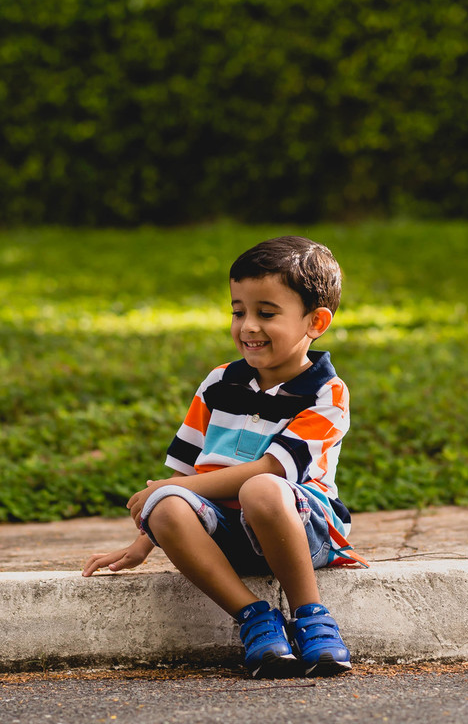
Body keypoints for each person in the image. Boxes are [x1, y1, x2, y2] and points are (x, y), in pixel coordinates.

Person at [83, 235, 367, 678]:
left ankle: (312, 616)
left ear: (316, 321)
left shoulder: (326, 393)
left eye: (266, 313)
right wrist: (144, 541)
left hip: (297, 525)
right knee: (169, 506)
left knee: (258, 488)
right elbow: (181, 469)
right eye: (239, 311)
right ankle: (256, 619)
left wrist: (173, 487)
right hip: (225, 531)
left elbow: (271, 471)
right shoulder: (219, 383)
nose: (248, 326)